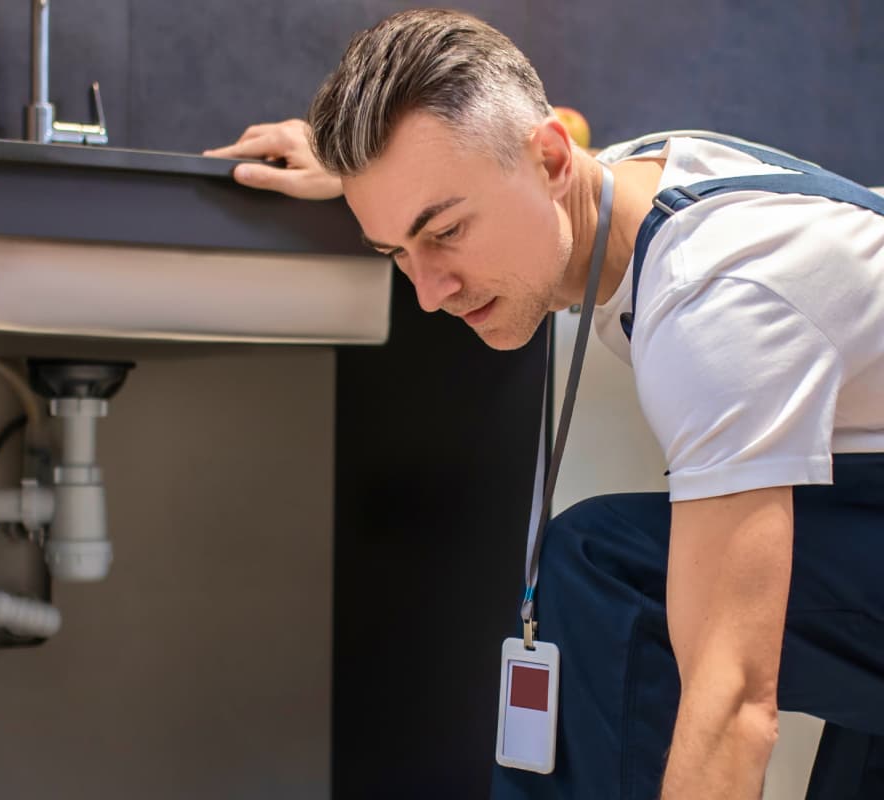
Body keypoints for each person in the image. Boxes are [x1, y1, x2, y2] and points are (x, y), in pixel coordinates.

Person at [205, 8, 884, 799]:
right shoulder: (629, 179)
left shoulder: (714, 306)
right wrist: (368, 180)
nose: (429, 292)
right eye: (398, 251)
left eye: (446, 231)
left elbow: (733, 701)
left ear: (553, 161)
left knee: (607, 572)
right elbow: (500, 150)